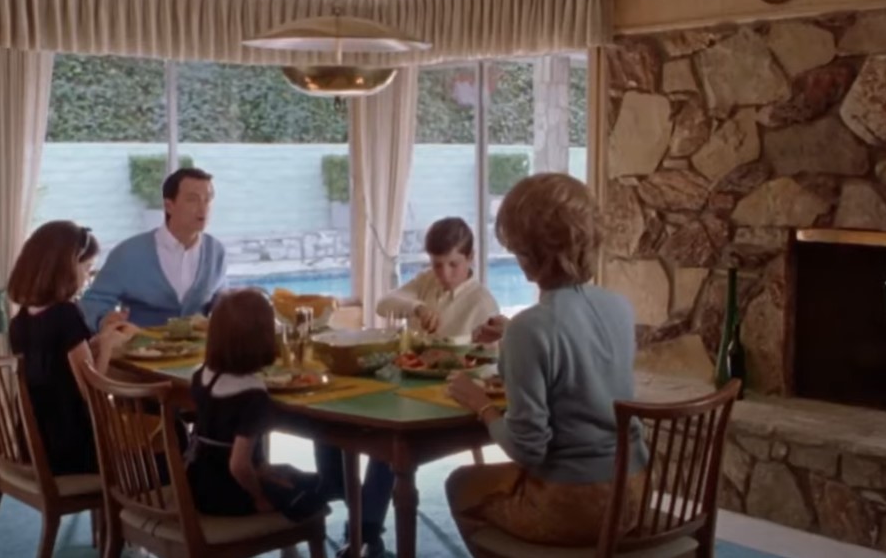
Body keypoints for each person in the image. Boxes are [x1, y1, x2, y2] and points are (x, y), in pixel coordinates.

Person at [444, 173, 648, 553]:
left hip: (574, 505)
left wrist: (481, 406)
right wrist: (511, 336)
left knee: (459, 485)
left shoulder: (530, 329)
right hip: (632, 493)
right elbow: (578, 354)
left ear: (530, 254)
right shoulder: (620, 307)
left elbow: (527, 449)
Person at [315, 217, 500, 558]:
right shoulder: (427, 283)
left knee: (387, 441)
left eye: (453, 264)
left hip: (451, 394)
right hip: (407, 382)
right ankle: (340, 493)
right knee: (334, 416)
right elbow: (385, 302)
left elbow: (488, 362)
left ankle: (366, 532)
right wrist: (417, 305)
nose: (444, 273)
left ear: (471, 257)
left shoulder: (482, 302)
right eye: (437, 264)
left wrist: (451, 353)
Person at [7, 221, 138, 475]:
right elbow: (92, 393)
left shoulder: (21, 320)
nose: (87, 278)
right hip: (74, 450)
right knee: (172, 438)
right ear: (67, 267)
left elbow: (58, 368)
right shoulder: (66, 315)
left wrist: (98, 340)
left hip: (38, 445)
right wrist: (109, 345)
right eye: (87, 268)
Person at [185, 289, 328, 521]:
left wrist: (263, 469)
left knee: (300, 478)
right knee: (314, 495)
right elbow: (238, 465)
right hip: (228, 492)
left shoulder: (201, 376)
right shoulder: (252, 395)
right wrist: (259, 497)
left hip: (195, 483)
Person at [80, 167, 228, 330]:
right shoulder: (129, 254)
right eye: (193, 199)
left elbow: (220, 299)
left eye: (208, 200)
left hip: (201, 353)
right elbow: (93, 303)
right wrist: (104, 320)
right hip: (141, 351)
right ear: (169, 205)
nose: (203, 208)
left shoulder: (216, 252)